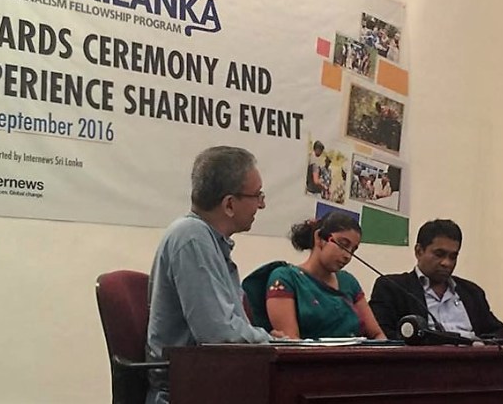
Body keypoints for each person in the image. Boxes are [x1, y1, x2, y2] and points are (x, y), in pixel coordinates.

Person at [145, 146, 281, 404]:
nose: (262, 204)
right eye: (257, 195)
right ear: (229, 204)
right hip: (187, 392)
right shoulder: (192, 238)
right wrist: (270, 340)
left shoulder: (208, 241)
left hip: (212, 385)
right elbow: (218, 335)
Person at [369, 219, 503, 341]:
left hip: (473, 366)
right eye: (439, 254)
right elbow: (382, 336)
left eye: (453, 257)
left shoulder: (471, 292)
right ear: (419, 251)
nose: (447, 263)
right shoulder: (392, 287)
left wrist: (481, 345)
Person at [263, 213, 386, 339]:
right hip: (309, 357)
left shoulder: (348, 281)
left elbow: (377, 334)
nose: (348, 256)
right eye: (343, 244)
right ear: (319, 238)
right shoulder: (286, 278)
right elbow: (291, 342)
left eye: (353, 250)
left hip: (356, 356)